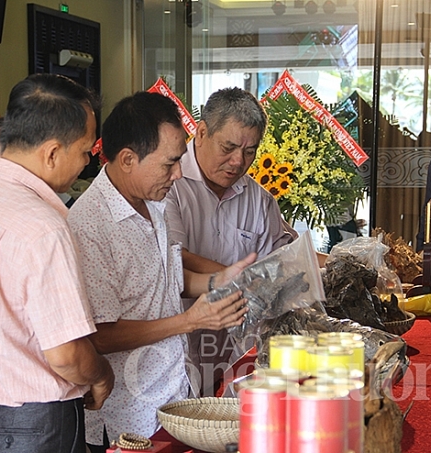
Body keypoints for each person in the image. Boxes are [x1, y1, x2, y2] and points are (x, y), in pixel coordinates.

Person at [0, 73, 114, 453]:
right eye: (84, 151)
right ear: (51, 152)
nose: (86, 162)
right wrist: (100, 375)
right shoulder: (42, 226)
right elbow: (65, 355)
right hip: (34, 427)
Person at [67, 91, 254, 453]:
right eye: (169, 163)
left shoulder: (155, 202)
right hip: (126, 413)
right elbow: (99, 336)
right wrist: (189, 322)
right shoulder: (90, 225)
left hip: (171, 392)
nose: (179, 174)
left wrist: (220, 281)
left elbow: (165, 280)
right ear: (127, 159)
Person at [164, 87, 293, 394]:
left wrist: (344, 260)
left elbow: (283, 255)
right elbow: (172, 256)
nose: (238, 161)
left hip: (237, 350)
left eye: (250, 151)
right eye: (229, 147)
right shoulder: (169, 184)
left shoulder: (259, 201)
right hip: (177, 345)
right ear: (202, 131)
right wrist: (237, 279)